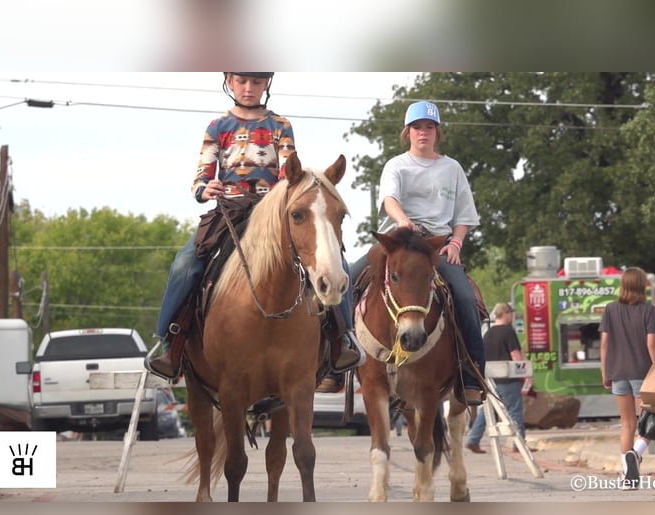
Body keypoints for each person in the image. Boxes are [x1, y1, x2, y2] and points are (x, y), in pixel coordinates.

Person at [146, 72, 362, 382]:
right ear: (230, 82)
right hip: (229, 212)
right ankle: (170, 343)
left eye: (257, 82)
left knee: (336, 260)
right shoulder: (217, 127)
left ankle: (342, 339)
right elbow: (201, 176)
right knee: (185, 262)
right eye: (242, 81)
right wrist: (205, 189)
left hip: (271, 213)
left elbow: (292, 175)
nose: (249, 89)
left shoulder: (280, 125)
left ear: (266, 85)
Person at [344, 100, 485, 406]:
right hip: (398, 239)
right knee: (346, 281)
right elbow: (390, 199)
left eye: (429, 127)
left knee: (464, 297)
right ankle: (335, 356)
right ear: (407, 132)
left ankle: (471, 374)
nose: (423, 133)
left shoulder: (452, 168)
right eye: (417, 127)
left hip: (435, 245)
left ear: (437, 133)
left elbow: (464, 215)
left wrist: (456, 243)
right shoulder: (397, 165)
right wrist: (402, 220)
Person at [598, 267, 655, 489]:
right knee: (649, 424)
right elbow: (651, 344)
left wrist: (605, 373)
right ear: (643, 285)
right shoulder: (650, 311)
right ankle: (635, 454)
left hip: (617, 372)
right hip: (643, 373)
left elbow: (604, 343)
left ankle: (628, 477)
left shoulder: (610, 310)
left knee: (627, 424)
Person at [466, 302, 534, 453]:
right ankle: (520, 444)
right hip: (508, 379)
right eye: (511, 314)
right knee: (515, 410)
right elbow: (515, 355)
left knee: (487, 411)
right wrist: (526, 374)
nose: (512, 317)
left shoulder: (488, 333)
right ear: (505, 314)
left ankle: (473, 439)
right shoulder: (508, 331)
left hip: (491, 380)